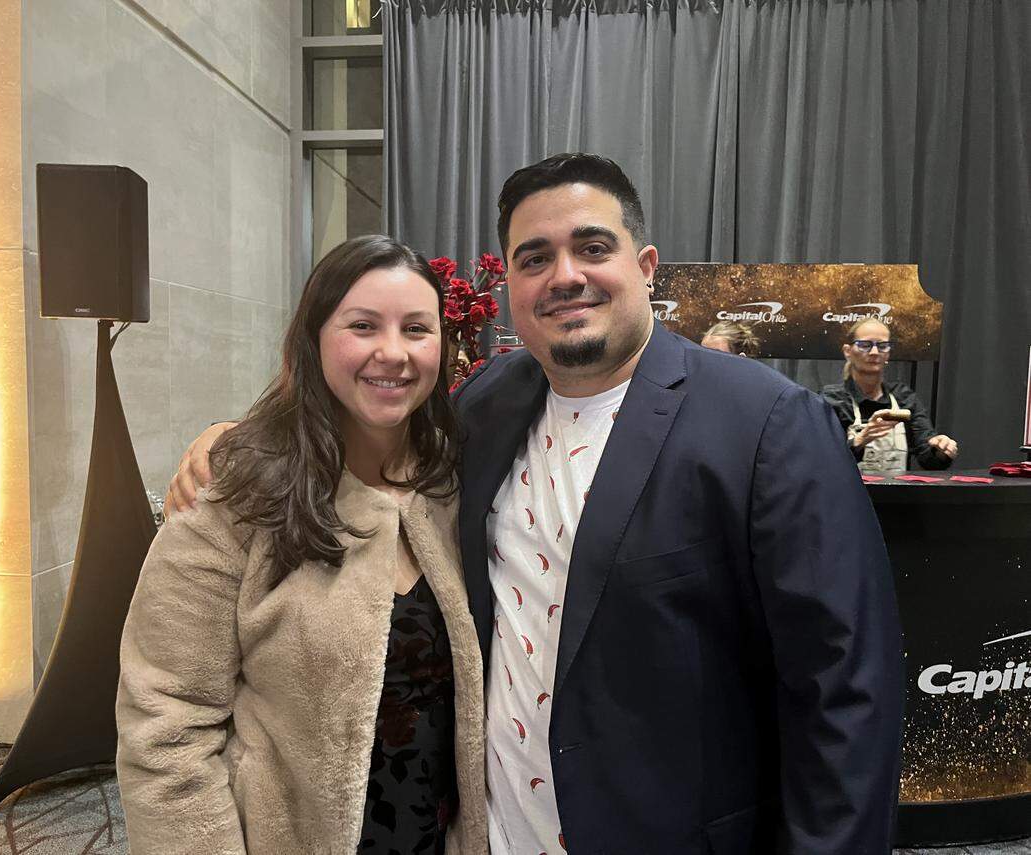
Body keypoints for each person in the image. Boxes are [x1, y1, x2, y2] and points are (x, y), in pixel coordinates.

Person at [170, 155, 904, 853]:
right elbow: (367, 428)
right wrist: (240, 437)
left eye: (592, 246)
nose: (565, 276)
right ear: (511, 288)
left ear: (645, 268)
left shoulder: (768, 423)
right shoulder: (485, 406)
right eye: (535, 257)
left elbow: (846, 691)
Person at [117, 236, 488, 855]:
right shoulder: (238, 497)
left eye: (417, 328)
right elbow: (166, 720)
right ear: (314, 339)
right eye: (362, 325)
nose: (392, 353)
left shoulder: (455, 485)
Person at [821, 317, 958, 471]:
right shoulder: (832, 399)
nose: (874, 352)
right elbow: (821, 458)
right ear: (848, 351)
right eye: (865, 345)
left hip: (896, 495)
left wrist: (941, 449)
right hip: (847, 494)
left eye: (882, 346)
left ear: (888, 353)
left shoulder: (903, 397)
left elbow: (927, 456)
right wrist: (859, 441)